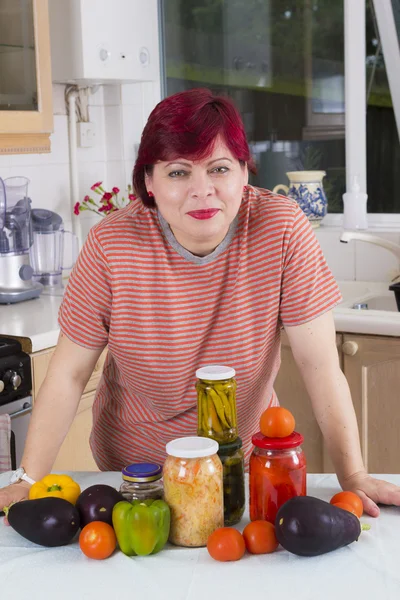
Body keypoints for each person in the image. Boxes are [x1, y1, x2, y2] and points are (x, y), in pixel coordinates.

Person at [1, 88, 400, 517]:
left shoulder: (281, 229)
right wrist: (27, 479)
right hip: (135, 469)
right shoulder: (111, 244)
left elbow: (320, 367)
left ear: (244, 173)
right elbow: (68, 373)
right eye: (178, 172)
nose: (202, 190)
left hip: (237, 462)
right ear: (149, 182)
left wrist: (353, 476)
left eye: (219, 168)